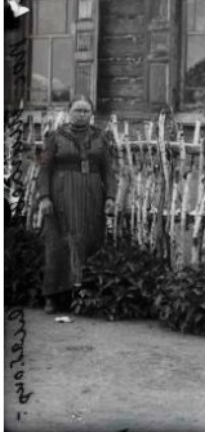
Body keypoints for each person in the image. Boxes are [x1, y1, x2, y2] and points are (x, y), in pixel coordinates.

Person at [36, 96, 117, 314]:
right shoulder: (55, 137)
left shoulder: (100, 138)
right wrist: (44, 197)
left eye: (86, 111)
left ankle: (82, 296)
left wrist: (110, 197)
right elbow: (44, 170)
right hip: (61, 195)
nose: (81, 114)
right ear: (69, 111)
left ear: (91, 114)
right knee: (58, 244)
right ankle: (52, 296)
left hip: (91, 196)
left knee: (89, 241)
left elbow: (108, 171)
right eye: (77, 110)